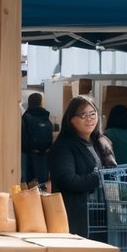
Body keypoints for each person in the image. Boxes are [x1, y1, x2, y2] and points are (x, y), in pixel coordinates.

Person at [48, 95, 116, 236]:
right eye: (83, 115)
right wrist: (100, 176)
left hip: (102, 216)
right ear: (71, 119)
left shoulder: (102, 142)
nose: (89, 118)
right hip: (76, 219)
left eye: (92, 114)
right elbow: (68, 180)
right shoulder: (63, 147)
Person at [22, 92, 54, 185]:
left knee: (28, 182)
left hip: (30, 153)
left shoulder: (26, 116)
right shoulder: (46, 116)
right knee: (42, 182)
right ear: (40, 102)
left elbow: (23, 137)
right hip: (44, 153)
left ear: (29, 102)